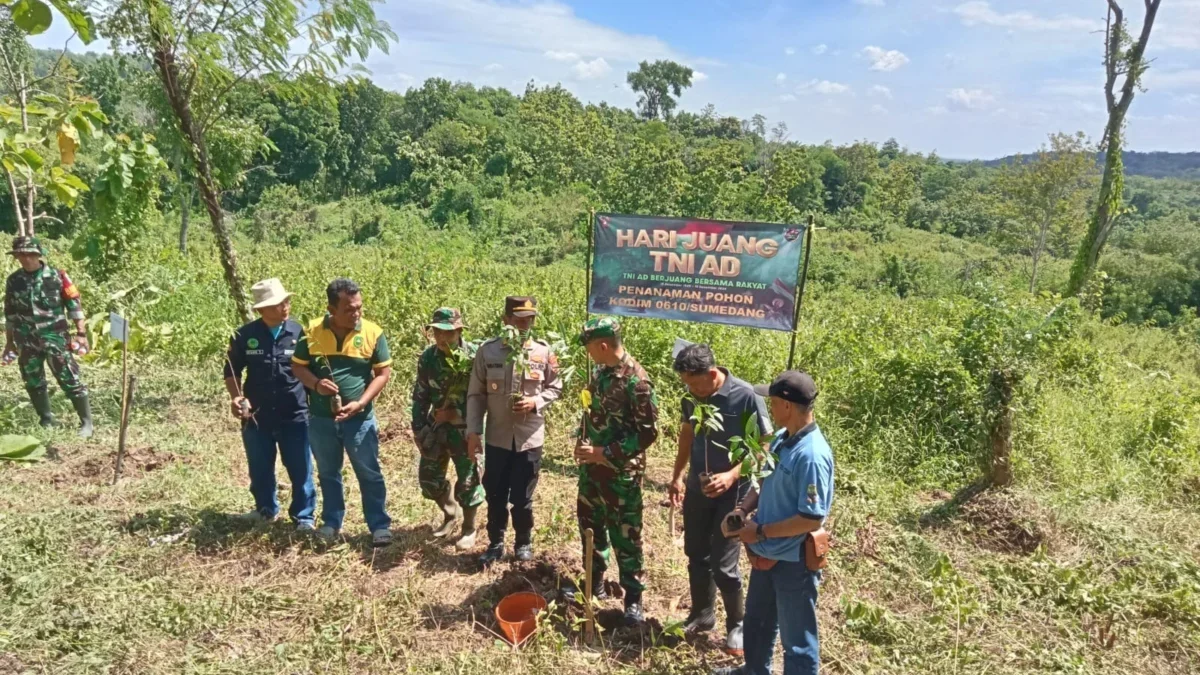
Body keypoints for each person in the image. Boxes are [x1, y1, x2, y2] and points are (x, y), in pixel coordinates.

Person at [715, 371, 833, 675]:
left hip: (793, 561)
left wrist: (762, 531)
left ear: (787, 406)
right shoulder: (783, 438)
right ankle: (754, 670)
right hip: (767, 552)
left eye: (774, 401)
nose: (769, 406)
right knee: (757, 622)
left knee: (797, 640)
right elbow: (763, 480)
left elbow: (811, 517)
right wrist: (743, 510)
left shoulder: (812, 455)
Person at [669, 343, 772, 654]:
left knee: (723, 563)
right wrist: (677, 476)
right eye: (685, 382)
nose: (689, 388)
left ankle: (737, 624)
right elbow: (687, 434)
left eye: (693, 382)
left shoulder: (746, 396)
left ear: (711, 373)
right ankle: (702, 614)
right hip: (700, 489)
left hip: (735, 494)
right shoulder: (692, 397)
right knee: (695, 553)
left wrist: (731, 475)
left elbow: (764, 448)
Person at [292, 278, 394, 547]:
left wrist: (361, 402)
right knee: (328, 472)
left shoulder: (372, 332)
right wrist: (315, 384)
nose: (356, 314)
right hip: (321, 419)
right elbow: (298, 367)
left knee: (369, 473)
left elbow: (383, 373)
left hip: (359, 420)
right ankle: (331, 522)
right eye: (349, 309)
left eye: (359, 307)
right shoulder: (312, 331)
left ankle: (379, 525)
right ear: (331, 309)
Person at [574, 317, 659, 625]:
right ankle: (594, 582)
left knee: (625, 535)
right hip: (592, 472)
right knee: (590, 527)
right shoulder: (600, 374)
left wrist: (604, 453)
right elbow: (590, 415)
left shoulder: (637, 382)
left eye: (590, 348)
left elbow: (647, 434)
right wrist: (582, 442)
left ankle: (633, 599)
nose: (588, 354)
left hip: (621, 475)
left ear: (604, 345)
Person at [466, 296, 563, 566]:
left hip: (529, 438)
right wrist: (474, 432)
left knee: (523, 497)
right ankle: (496, 543)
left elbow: (556, 387)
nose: (524, 324)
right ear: (505, 320)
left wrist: (535, 402)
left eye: (529, 319)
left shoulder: (543, 352)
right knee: (495, 493)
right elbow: (476, 394)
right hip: (497, 437)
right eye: (519, 319)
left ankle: (523, 543)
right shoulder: (488, 352)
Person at [223, 278, 316, 531]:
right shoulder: (245, 335)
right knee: (260, 467)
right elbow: (232, 370)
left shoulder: (301, 333)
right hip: (257, 416)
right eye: (277, 304)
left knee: (301, 468)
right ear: (262, 309)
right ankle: (265, 509)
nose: (284, 307)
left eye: (286, 301)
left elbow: (312, 372)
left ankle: (304, 516)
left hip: (294, 413)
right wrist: (236, 396)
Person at [2, 236, 93, 438]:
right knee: (33, 380)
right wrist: (9, 343)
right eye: (21, 255)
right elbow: (10, 314)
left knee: (69, 377)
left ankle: (86, 423)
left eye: (30, 254)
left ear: (38, 255)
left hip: (55, 338)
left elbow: (74, 305)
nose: (26, 259)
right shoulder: (14, 281)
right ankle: (46, 419)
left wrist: (81, 333)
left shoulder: (58, 276)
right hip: (27, 340)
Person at [411, 307, 485, 550]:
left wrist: (457, 414)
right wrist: (419, 429)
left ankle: (469, 527)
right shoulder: (429, 358)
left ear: (460, 331)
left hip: (466, 429)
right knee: (429, 479)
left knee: (468, 480)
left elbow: (486, 397)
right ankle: (450, 513)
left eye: (448, 333)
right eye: (437, 332)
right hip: (437, 427)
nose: (442, 338)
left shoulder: (475, 356)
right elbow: (420, 396)